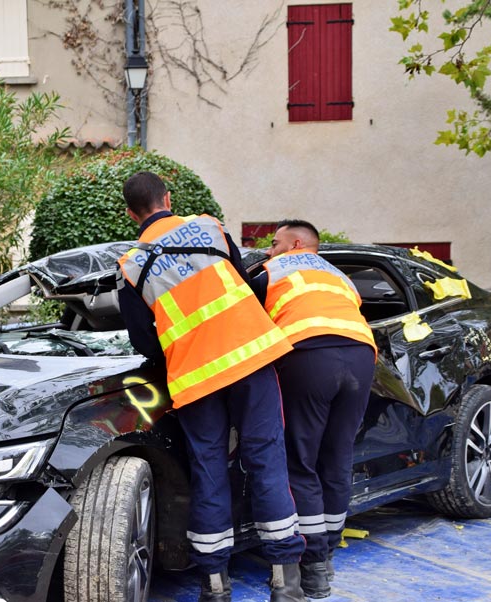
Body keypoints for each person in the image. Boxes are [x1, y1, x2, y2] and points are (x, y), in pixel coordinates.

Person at [116, 172, 307, 602]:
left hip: (195, 377)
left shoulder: (131, 266)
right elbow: (243, 285)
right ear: (168, 198)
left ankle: (215, 586)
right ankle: (286, 583)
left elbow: (143, 341)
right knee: (267, 460)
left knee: (208, 471)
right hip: (250, 357)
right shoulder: (209, 227)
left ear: (131, 214)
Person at [251, 220, 377, 599]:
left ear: (296, 243)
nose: (269, 250)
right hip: (360, 356)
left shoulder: (273, 270)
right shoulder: (340, 276)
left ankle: (313, 565)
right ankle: (327, 558)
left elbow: (245, 320)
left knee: (301, 461)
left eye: (275, 243)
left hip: (309, 355)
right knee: (337, 457)